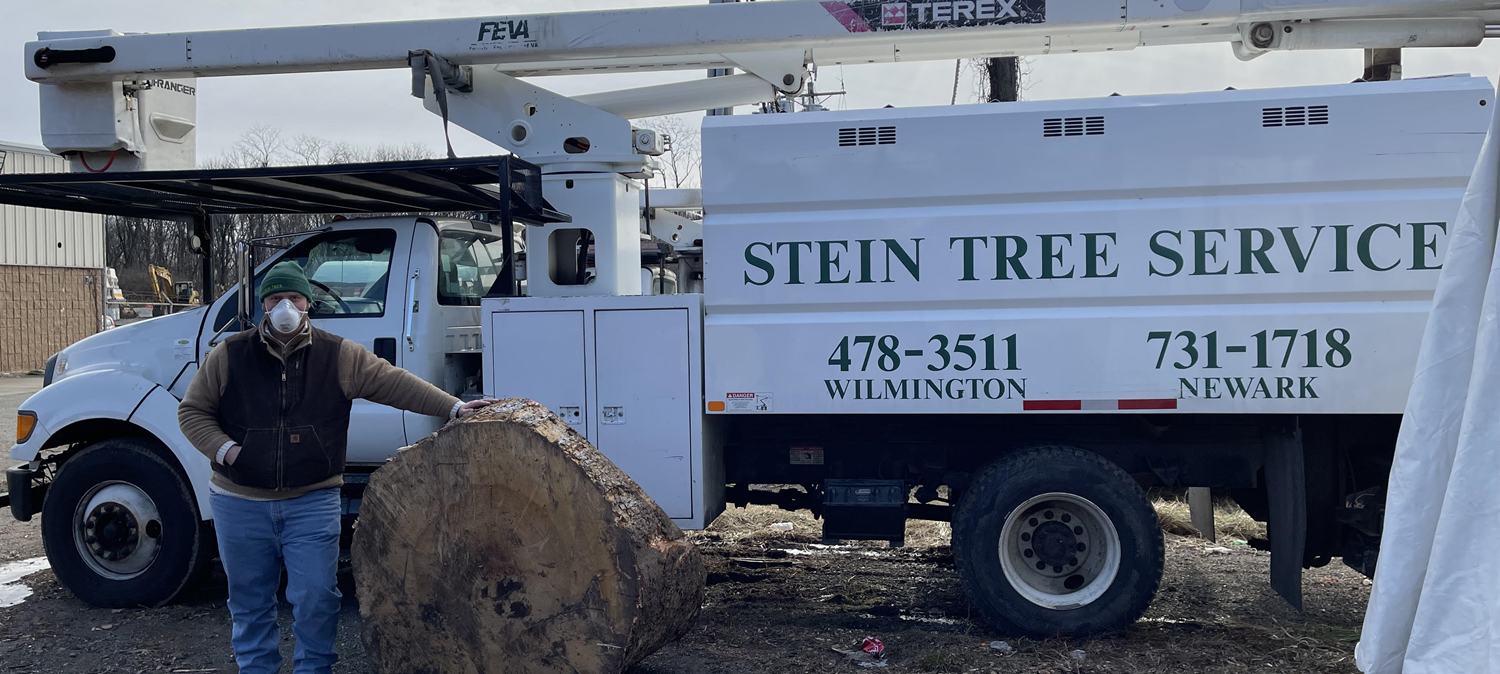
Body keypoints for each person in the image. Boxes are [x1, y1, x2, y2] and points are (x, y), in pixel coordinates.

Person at [178, 261, 494, 674]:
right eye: (275, 299)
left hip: (312, 500)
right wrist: (228, 452)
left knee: (316, 600)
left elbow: (394, 382)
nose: (284, 307)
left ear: (308, 304)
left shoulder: (338, 355)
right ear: (262, 307)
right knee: (250, 604)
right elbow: (193, 413)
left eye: (293, 298)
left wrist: (452, 406)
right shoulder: (230, 355)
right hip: (239, 503)